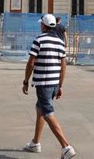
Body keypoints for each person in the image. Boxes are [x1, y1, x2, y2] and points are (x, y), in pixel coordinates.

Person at [22, 14, 76, 159]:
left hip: (43, 83)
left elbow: (31, 62)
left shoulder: (39, 40)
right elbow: (63, 65)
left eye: (41, 24)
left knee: (47, 113)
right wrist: (60, 85)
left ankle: (66, 147)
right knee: (40, 108)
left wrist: (26, 81)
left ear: (44, 26)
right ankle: (35, 143)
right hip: (54, 83)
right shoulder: (60, 42)